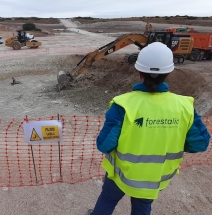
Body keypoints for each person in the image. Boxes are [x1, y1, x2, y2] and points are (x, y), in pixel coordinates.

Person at [86, 42, 211, 215]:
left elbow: (104, 145)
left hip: (121, 175)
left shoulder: (123, 104)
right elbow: (200, 144)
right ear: (168, 73)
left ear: (139, 73)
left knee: (107, 200)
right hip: (155, 178)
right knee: (142, 208)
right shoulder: (185, 106)